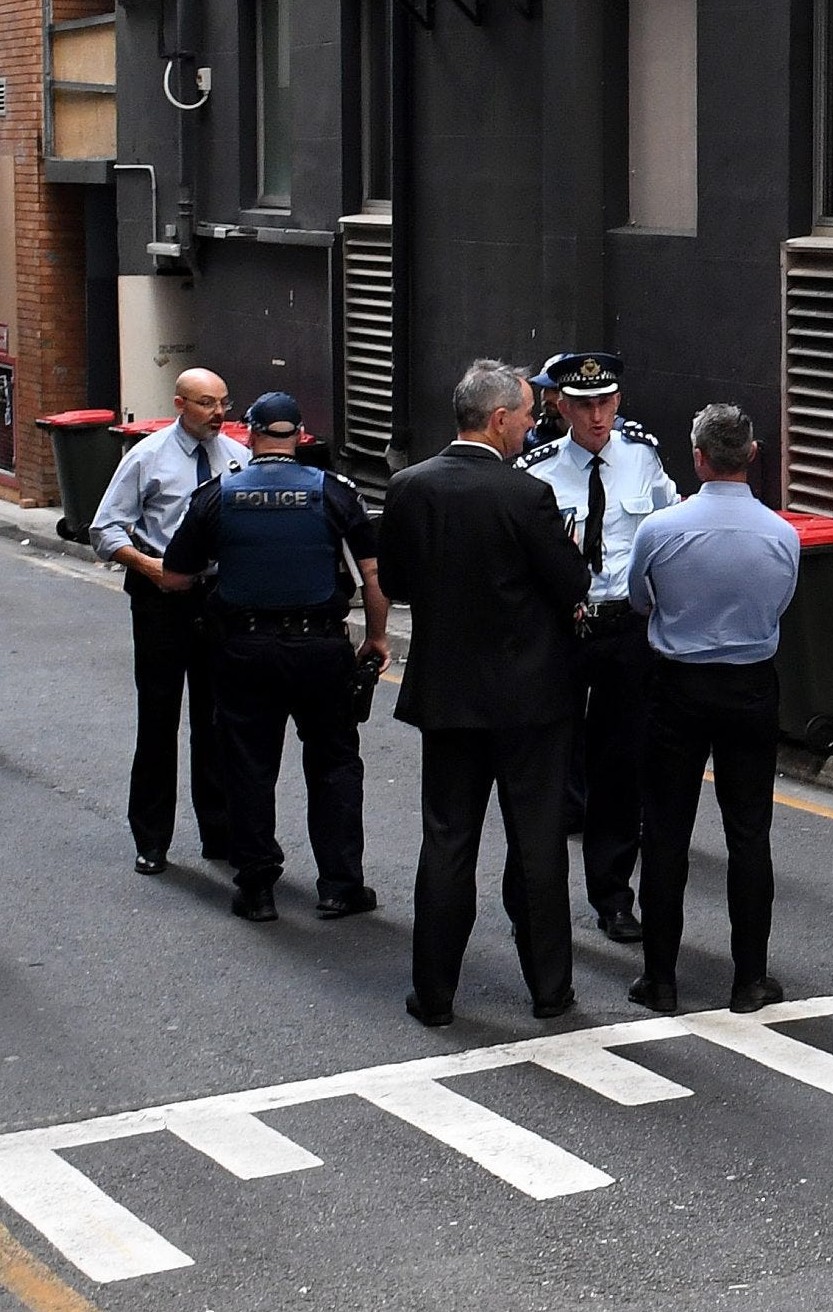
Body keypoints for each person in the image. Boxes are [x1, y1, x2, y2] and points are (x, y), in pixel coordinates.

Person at [377, 358, 591, 1025]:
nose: (534, 427)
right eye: (528, 417)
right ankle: (550, 991)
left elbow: (402, 584)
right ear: (498, 420)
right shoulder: (526, 496)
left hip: (448, 697)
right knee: (537, 845)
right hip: (531, 700)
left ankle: (435, 995)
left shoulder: (409, 488)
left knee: (447, 842)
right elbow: (572, 583)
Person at [161, 393, 387, 924]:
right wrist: (377, 641)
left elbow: (175, 576)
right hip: (320, 647)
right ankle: (339, 885)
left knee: (248, 765)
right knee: (333, 763)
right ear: (300, 435)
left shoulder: (216, 495)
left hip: (244, 649)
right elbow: (373, 577)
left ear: (250, 433)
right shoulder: (334, 492)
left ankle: (257, 888)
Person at [624, 403, 802, 1015]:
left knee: (665, 832)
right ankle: (749, 978)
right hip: (751, 686)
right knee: (749, 833)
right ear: (752, 456)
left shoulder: (660, 529)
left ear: (698, 458)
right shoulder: (783, 534)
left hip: (677, 686)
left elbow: (640, 601)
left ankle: (661, 979)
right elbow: (779, 606)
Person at [517, 351, 677, 944]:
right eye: (583, 405)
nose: (596, 416)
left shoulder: (644, 456)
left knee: (620, 765)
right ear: (559, 406)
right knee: (550, 762)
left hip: (626, 627)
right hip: (561, 629)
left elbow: (665, 533)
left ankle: (613, 897)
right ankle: (540, 900)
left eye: (605, 402)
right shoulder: (536, 469)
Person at [90, 367, 242, 877]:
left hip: (216, 599)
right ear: (180, 404)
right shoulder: (147, 457)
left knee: (215, 720)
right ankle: (152, 839)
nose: (218, 413)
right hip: (161, 600)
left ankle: (218, 833)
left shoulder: (237, 460)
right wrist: (151, 567)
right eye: (205, 403)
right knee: (158, 719)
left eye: (223, 403)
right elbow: (105, 527)